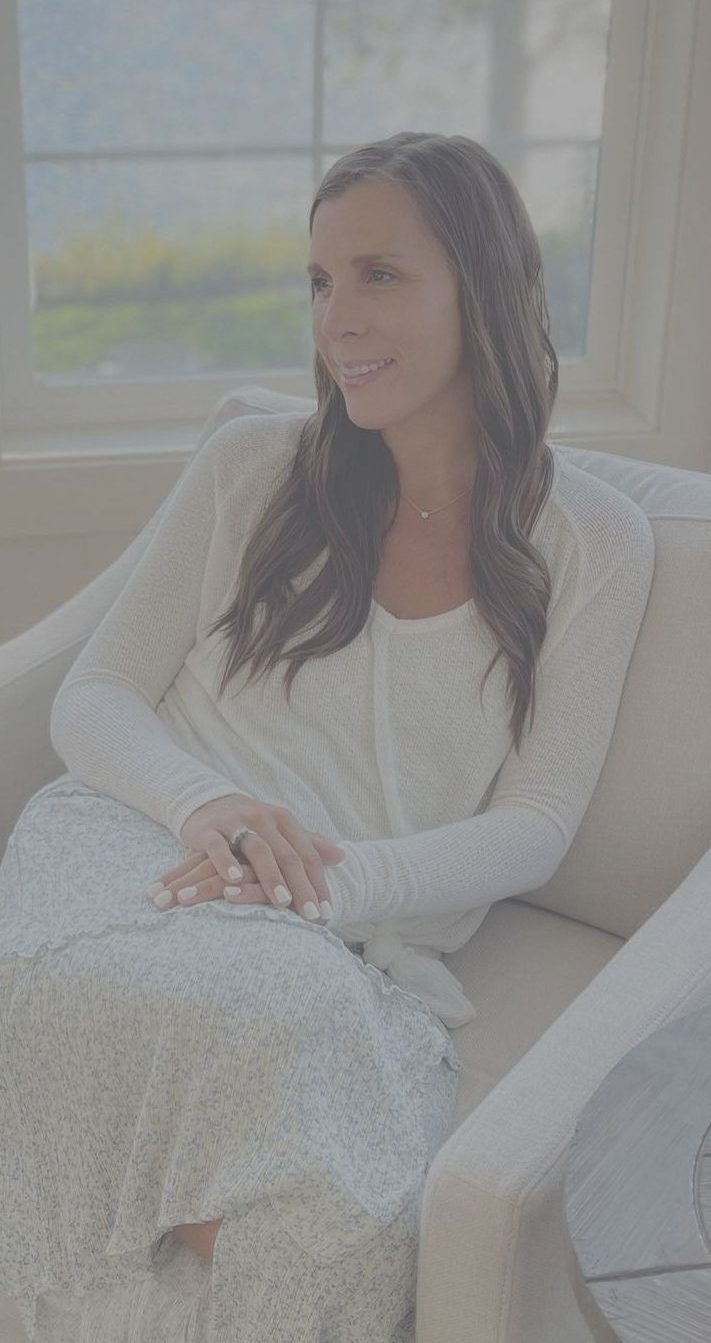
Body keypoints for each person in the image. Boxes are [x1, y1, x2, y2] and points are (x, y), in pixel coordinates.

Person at [0, 132, 655, 1343]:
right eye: (319, 281)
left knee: (347, 1210)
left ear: (485, 287)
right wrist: (209, 809)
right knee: (102, 1004)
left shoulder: (593, 540)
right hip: (138, 842)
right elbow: (92, 698)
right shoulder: (254, 469)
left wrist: (319, 883)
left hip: (329, 926)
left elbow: (539, 823)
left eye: (379, 275)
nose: (337, 319)